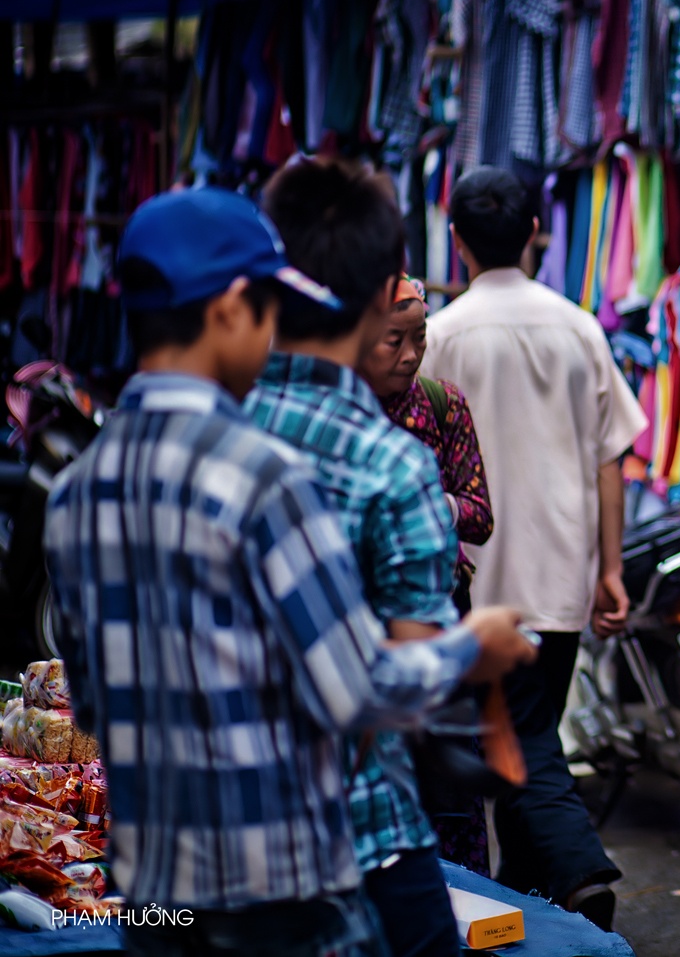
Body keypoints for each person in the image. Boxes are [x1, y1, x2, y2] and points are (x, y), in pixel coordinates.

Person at [44, 188, 536, 957]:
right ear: (236, 308)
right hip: (280, 893)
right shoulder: (261, 476)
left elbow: (96, 707)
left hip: (151, 892)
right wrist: (474, 645)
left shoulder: (75, 492)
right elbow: (357, 688)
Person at [245, 157, 471, 957]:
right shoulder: (389, 465)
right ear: (383, 290)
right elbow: (410, 688)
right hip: (359, 830)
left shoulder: (198, 434)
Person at [424, 168, 645, 929]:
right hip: (561, 572)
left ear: (455, 242)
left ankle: (575, 872)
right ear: (535, 234)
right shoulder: (578, 326)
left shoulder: (440, 334)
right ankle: (544, 897)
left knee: (520, 746)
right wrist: (610, 567)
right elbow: (610, 455)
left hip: (475, 581)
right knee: (527, 734)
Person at [359, 273, 497, 873]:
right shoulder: (338, 416)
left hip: (440, 625)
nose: (411, 355)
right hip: (362, 635)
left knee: (451, 794)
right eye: (395, 340)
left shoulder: (443, 404)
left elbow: (480, 515)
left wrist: (430, 505)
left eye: (419, 338)